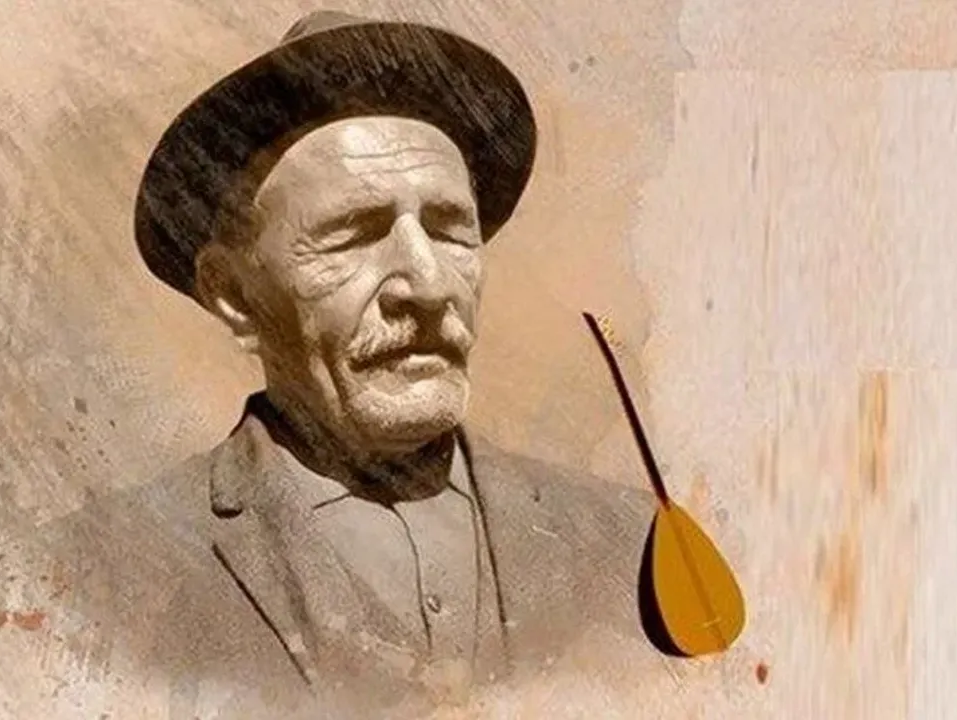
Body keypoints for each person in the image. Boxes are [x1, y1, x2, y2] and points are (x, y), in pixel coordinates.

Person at [35, 11, 657, 718]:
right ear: (234, 295)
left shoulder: (633, 550)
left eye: (451, 230)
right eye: (354, 236)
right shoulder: (87, 583)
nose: (428, 285)